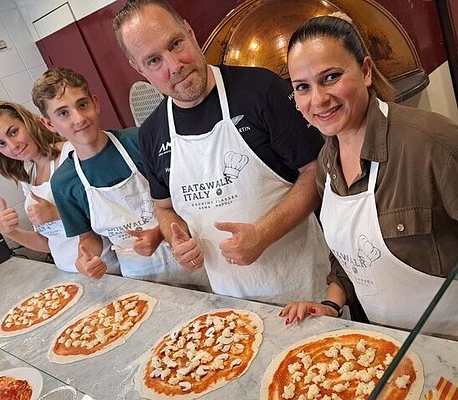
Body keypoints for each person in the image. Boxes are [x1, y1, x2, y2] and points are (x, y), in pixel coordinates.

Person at [112, 0, 330, 305]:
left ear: (189, 31)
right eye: (154, 61)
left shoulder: (260, 90)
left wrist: (263, 234)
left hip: (304, 293)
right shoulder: (151, 134)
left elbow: (315, 172)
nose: (174, 66)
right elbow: (164, 208)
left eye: (176, 44)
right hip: (229, 306)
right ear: (138, 68)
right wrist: (176, 238)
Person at [280, 14, 458, 336]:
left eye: (331, 77)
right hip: (387, 345)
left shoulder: (432, 144)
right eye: (302, 87)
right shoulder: (326, 164)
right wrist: (331, 304)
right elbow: (352, 258)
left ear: (365, 71)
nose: (317, 99)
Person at [31, 67, 210, 289]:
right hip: (137, 277)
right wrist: (84, 259)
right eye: (63, 113)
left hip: (189, 256)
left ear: (96, 103)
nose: (78, 119)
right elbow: (88, 237)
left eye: (82, 104)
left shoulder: (139, 141)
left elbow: (186, 198)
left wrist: (160, 233)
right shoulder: (63, 182)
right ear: (48, 124)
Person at [0, 101, 83, 272]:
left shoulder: (71, 153)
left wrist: (57, 214)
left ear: (28, 122)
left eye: (13, 132)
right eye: (1, 144)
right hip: (68, 272)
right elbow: (50, 243)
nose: (13, 146)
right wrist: (12, 232)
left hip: (104, 268)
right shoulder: (29, 174)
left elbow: (107, 214)